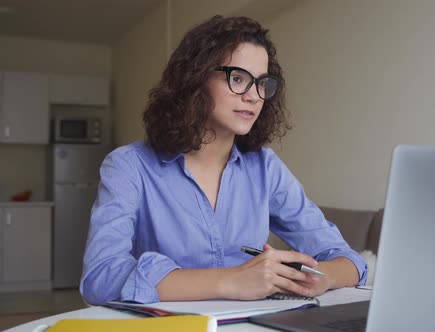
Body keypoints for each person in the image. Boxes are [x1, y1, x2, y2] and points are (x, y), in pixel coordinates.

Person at [80, 15, 367, 305]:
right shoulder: (129, 166)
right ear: (195, 79)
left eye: (261, 84)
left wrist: (320, 277)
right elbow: (101, 277)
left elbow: (349, 260)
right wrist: (232, 280)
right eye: (238, 78)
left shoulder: (264, 167)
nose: (254, 96)